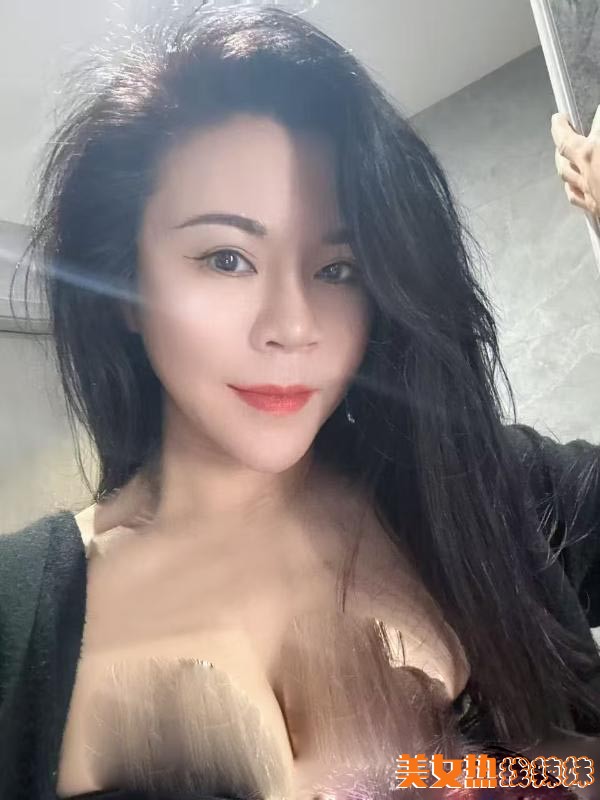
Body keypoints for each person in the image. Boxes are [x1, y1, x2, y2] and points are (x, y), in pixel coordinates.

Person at [1, 5, 599, 799]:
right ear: (123, 288)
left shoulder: (479, 488)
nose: (292, 325)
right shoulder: (18, 620)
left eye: (337, 270)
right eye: (226, 258)